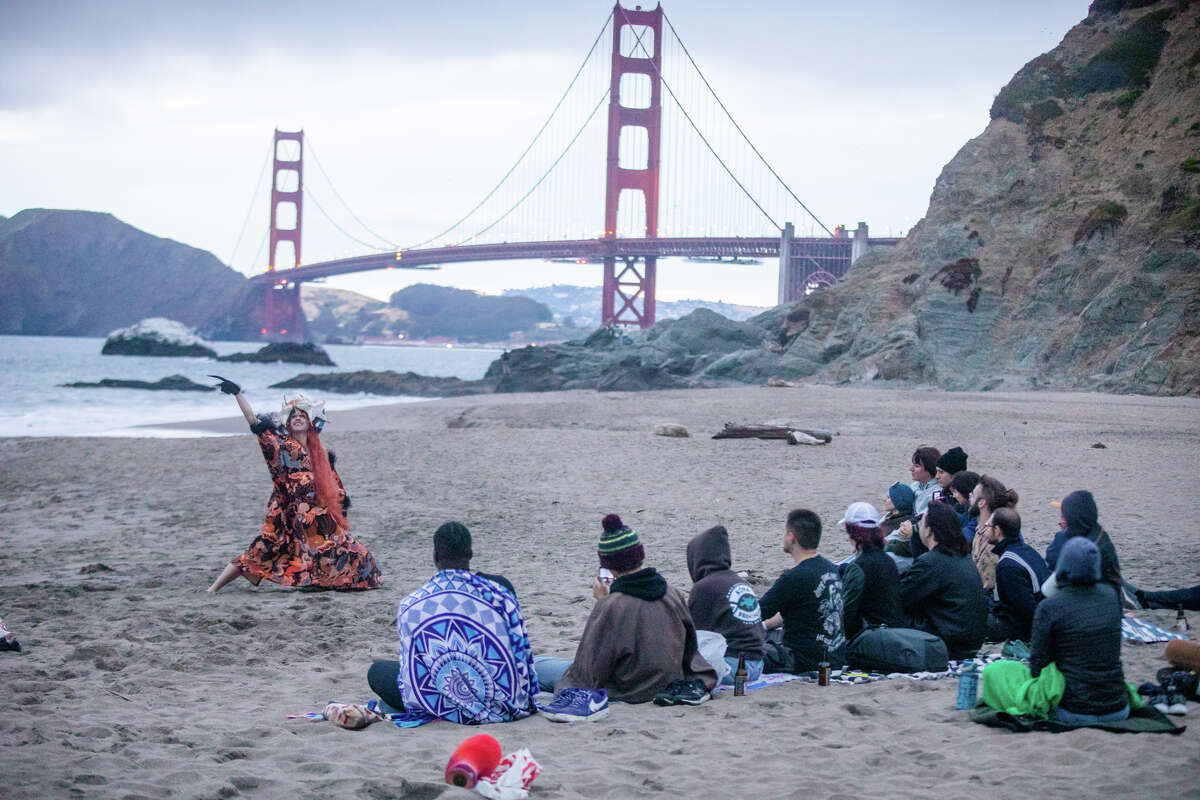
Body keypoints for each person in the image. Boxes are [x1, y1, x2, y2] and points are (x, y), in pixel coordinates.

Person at [206, 379, 381, 593]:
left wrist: (337, 507)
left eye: (302, 416)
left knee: (356, 553)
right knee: (261, 550)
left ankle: (317, 583)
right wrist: (238, 394)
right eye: (293, 416)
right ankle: (213, 588)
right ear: (288, 423)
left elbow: (335, 487)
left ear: (310, 422)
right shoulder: (281, 446)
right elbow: (254, 423)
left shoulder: (320, 453)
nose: (297, 418)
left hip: (318, 517)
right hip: (285, 511)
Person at [537, 515, 717, 721]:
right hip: (668, 681)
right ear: (640, 555)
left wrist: (601, 604)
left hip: (628, 689)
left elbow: (590, 666)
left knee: (539, 665)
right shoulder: (672, 593)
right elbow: (691, 650)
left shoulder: (612, 604)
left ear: (608, 565)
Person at [367, 522, 537, 724]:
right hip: (504, 703)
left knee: (377, 672)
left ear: (436, 556)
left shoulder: (411, 606)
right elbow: (522, 656)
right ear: (470, 553)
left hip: (444, 704)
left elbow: (411, 674)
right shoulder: (500, 595)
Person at [1030, 537, 1130, 725]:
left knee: (999, 672)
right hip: (1117, 707)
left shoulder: (1050, 607)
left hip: (1073, 710)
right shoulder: (1111, 596)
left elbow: (1037, 666)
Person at [759, 509, 846, 673]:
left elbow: (755, 613)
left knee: (743, 651)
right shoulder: (831, 569)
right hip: (835, 654)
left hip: (805, 659)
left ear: (791, 536)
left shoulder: (795, 577)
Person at [899, 501, 987, 660]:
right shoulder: (964, 558)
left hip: (947, 643)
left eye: (921, 525)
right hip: (971, 641)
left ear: (929, 531)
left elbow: (900, 598)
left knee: (887, 613)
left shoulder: (932, 562)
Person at [685, 524, 765, 686]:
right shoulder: (738, 581)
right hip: (758, 664)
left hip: (733, 666)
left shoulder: (704, 587)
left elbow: (694, 637)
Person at [837, 502, 903, 640]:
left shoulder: (859, 566)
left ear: (852, 532)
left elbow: (848, 613)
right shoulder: (888, 560)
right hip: (895, 633)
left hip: (872, 638)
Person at [986, 508, 1049, 643]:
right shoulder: (1027, 550)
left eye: (988, 526)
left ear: (997, 530)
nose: (985, 529)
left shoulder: (1008, 565)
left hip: (1025, 628)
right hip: (1040, 616)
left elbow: (1026, 609)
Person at [1043, 490, 1122, 595]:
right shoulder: (1102, 536)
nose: (1060, 522)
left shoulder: (1063, 539)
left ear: (1072, 519)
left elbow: (1050, 566)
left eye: (1064, 517)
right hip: (1108, 594)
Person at [968, 475, 1018, 594]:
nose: (969, 497)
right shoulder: (981, 530)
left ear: (982, 503)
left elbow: (987, 586)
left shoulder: (990, 540)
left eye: (973, 495)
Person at [908, 446, 942, 517]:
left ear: (929, 468)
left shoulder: (936, 493)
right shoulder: (914, 486)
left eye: (916, 466)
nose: (911, 469)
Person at [949, 470, 980, 543]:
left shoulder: (979, 514)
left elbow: (966, 536)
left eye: (955, 492)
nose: (953, 496)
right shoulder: (966, 507)